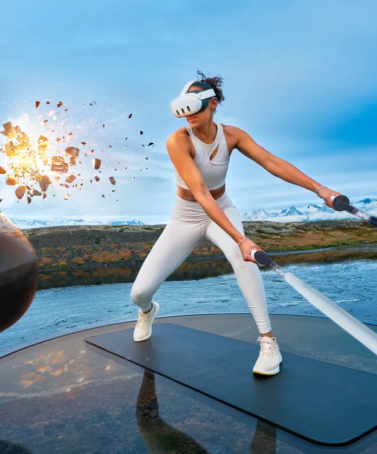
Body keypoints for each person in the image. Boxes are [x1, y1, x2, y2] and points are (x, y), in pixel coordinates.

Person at [130, 71, 341, 375]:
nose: (188, 118)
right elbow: (201, 193)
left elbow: (273, 163)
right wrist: (241, 239)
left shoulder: (233, 135)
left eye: (195, 110)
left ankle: (269, 342)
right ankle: (148, 311)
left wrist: (320, 189)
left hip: (223, 210)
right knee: (138, 292)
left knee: (246, 264)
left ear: (213, 104)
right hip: (186, 216)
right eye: (184, 112)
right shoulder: (177, 141)